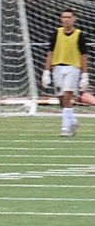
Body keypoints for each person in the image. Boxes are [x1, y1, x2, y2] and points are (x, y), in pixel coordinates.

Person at [43, 8, 88, 137]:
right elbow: (50, 53)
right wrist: (46, 71)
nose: (66, 19)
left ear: (74, 19)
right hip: (58, 67)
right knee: (61, 99)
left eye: (69, 17)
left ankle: (65, 128)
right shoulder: (56, 33)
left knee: (68, 96)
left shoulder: (79, 34)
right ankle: (72, 120)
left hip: (73, 68)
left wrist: (85, 75)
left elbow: (84, 55)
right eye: (64, 17)